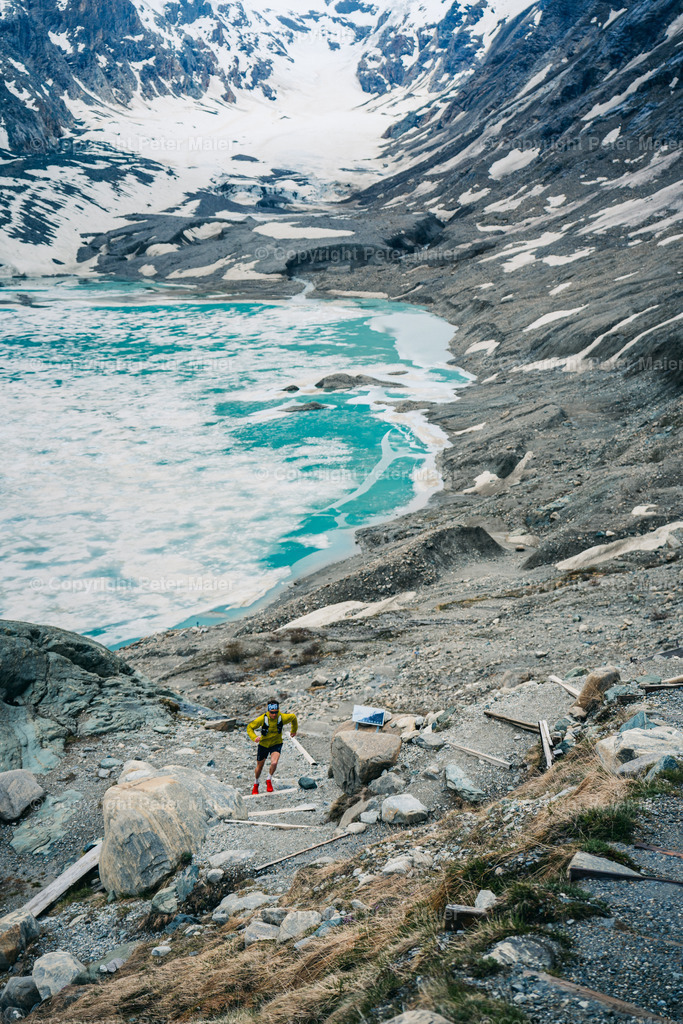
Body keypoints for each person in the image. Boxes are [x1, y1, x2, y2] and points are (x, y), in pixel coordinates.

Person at [246, 699, 298, 794]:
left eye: (276, 712)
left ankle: (269, 779)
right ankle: (256, 783)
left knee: (274, 763)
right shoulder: (262, 719)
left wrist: (294, 730)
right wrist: (254, 737)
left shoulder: (282, 717)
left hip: (276, 743)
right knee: (259, 767)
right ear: (268, 711)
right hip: (263, 745)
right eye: (272, 712)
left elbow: (293, 717)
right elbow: (249, 727)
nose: (274, 715)